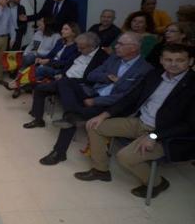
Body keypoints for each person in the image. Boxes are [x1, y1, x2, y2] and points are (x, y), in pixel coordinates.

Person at [74, 44, 195, 199]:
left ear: (190, 61)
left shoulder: (192, 85)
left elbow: (190, 125)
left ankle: (157, 183)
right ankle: (100, 170)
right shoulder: (155, 75)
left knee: (125, 157)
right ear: (161, 61)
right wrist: (105, 114)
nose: (173, 64)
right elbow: (131, 97)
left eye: (180, 60)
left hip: (166, 134)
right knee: (95, 125)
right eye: (168, 59)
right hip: (140, 123)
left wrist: (154, 136)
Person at [36, 32, 152, 165]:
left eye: (120, 44)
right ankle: (72, 114)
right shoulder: (114, 58)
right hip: (94, 92)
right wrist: (108, 77)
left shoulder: (145, 69)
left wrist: (96, 101)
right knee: (65, 82)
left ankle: (59, 152)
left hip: (112, 105)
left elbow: (127, 96)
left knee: (73, 114)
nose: (116, 47)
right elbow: (91, 75)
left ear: (133, 48)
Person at [22, 32, 109, 130]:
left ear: (92, 47)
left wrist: (69, 79)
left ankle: (70, 118)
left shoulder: (102, 57)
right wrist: (62, 74)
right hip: (64, 79)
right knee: (39, 89)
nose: (79, 50)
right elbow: (69, 64)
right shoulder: (80, 50)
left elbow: (92, 78)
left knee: (60, 87)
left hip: (80, 85)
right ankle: (38, 119)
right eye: (78, 47)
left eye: (82, 48)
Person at [8, 17, 60, 97]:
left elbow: (54, 52)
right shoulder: (37, 34)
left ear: (47, 25)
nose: (39, 22)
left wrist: (39, 55)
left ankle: (18, 85)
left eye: (41, 21)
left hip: (47, 57)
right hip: (35, 55)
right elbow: (31, 46)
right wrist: (25, 53)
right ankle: (19, 85)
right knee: (26, 59)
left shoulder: (56, 36)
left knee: (26, 62)